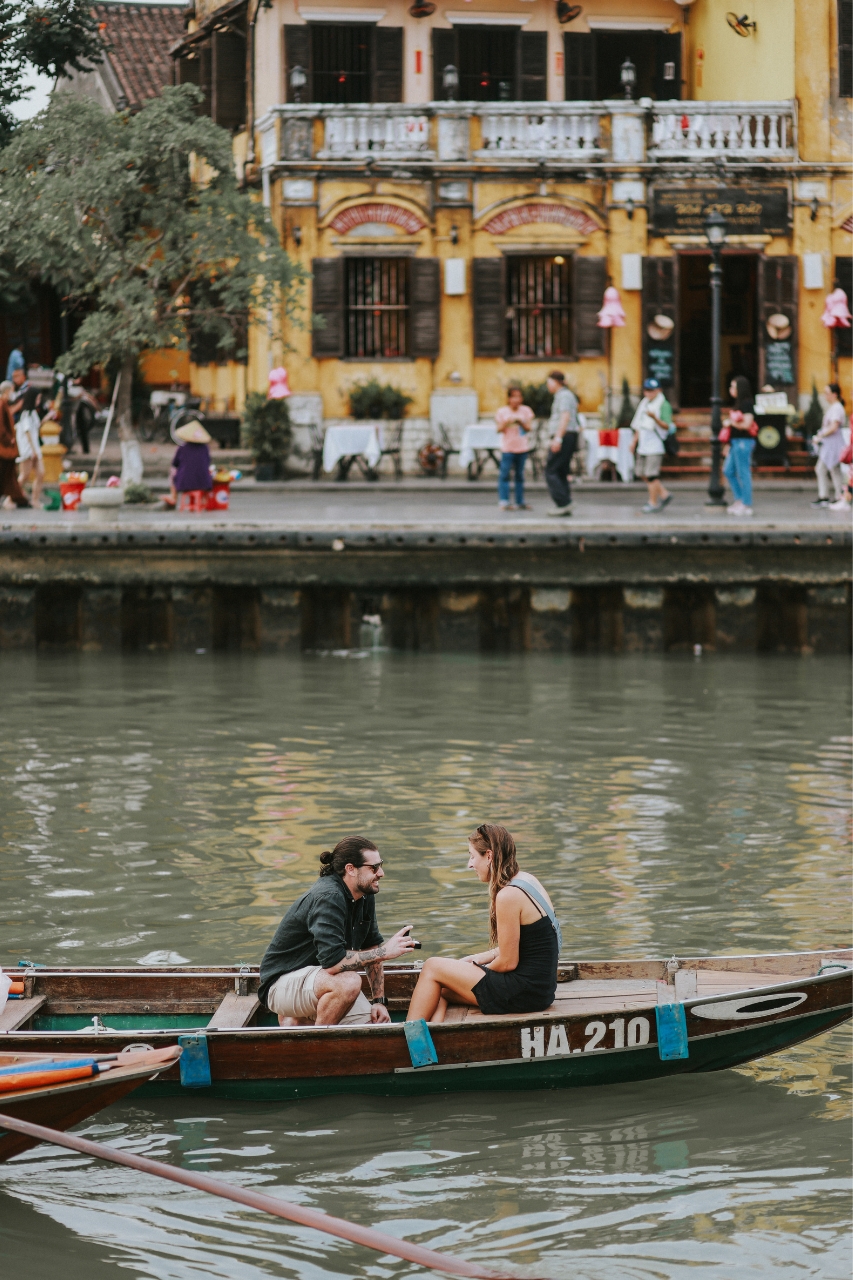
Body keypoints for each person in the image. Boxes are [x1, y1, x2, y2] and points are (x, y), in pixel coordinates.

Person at [407, 823, 560, 1023]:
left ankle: (404, 1037)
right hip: (541, 990)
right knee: (443, 986)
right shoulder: (527, 880)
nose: (469, 864)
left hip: (523, 992)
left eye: (472, 856)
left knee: (432, 966)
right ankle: (434, 1033)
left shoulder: (508, 896)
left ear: (489, 856)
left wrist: (479, 970)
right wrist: (476, 959)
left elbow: (508, 962)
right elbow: (523, 945)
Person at [258, 836, 418, 1027]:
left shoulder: (364, 894)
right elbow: (334, 963)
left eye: (381, 865)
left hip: (321, 981)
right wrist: (385, 952)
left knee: (377, 1025)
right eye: (374, 868)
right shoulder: (329, 897)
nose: (381, 873)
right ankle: (316, 1042)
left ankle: (297, 1020)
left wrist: (379, 1001)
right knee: (349, 982)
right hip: (280, 985)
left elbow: (370, 946)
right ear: (351, 869)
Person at [630, 378, 673, 514]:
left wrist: (655, 418)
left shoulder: (663, 405)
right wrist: (634, 441)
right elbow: (639, 425)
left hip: (655, 445)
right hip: (643, 443)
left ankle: (652, 502)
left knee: (651, 475)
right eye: (646, 390)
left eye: (651, 390)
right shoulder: (644, 404)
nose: (648, 393)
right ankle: (664, 494)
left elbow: (667, 425)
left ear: (658, 391)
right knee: (641, 472)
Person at [544, 371, 579, 517]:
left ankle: (563, 502)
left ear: (556, 382)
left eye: (549, 382)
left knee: (551, 470)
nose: (547, 386)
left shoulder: (564, 395)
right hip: (568, 435)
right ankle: (564, 503)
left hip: (564, 436)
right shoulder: (564, 395)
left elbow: (565, 416)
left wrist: (558, 438)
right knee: (561, 470)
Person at [722, 375, 757, 517]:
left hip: (744, 441)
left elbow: (747, 424)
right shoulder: (738, 403)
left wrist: (731, 423)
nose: (731, 390)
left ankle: (746, 503)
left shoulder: (747, 404)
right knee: (728, 470)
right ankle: (739, 499)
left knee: (743, 473)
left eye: (733, 387)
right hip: (736, 441)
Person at [10, 367, 44, 509]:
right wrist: (33, 451)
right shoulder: (25, 415)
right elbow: (28, 432)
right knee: (24, 476)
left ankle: (35, 500)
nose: (39, 401)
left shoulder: (33, 414)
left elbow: (36, 428)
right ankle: (10, 499)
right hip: (28, 449)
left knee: (41, 474)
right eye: (37, 398)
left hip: (34, 448)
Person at [495, 386, 533, 511]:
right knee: (504, 475)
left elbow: (528, 428)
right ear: (509, 398)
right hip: (508, 448)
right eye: (514, 397)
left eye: (519, 396)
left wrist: (520, 422)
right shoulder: (502, 412)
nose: (516, 399)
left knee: (520, 476)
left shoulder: (526, 410)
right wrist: (507, 421)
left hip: (522, 447)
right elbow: (499, 429)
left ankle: (519, 501)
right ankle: (504, 501)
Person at [811, 384, 848, 507]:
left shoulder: (837, 408)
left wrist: (821, 436)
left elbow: (833, 426)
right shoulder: (834, 407)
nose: (825, 395)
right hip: (831, 444)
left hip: (833, 444)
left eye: (827, 393)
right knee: (833, 469)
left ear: (834, 394)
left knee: (825, 469)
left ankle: (826, 496)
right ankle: (837, 495)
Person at [163, 421, 214, 507]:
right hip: (204, 483)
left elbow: (175, 464)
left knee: (172, 471)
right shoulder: (205, 448)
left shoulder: (182, 448)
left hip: (184, 483)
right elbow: (208, 461)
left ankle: (173, 497)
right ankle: (204, 500)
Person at [0, 380, 30, 508]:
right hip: (4, 448)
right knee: (7, 475)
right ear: (7, 391)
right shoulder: (1, 404)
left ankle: (20, 499)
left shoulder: (4, 404)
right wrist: (9, 440)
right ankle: (20, 500)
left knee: (8, 476)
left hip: (6, 448)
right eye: (11, 391)